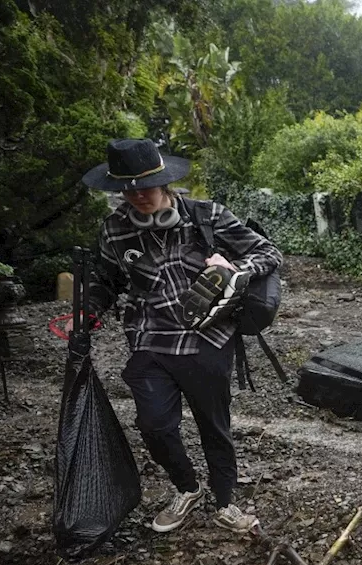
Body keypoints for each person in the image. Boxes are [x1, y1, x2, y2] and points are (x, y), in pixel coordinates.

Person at [79, 138, 283, 534]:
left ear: (164, 182)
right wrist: (87, 312)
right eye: (128, 188)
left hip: (208, 340)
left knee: (214, 427)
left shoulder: (207, 216)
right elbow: (106, 280)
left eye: (146, 185)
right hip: (150, 341)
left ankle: (226, 502)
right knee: (154, 426)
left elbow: (268, 253)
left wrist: (234, 268)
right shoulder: (114, 230)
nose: (138, 195)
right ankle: (187, 488)